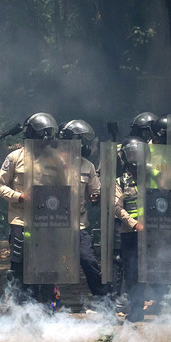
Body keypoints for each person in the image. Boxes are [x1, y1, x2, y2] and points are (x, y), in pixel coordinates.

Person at [0, 112, 56, 305]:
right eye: (43, 134)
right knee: (19, 264)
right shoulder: (14, 158)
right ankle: (18, 307)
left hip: (47, 221)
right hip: (21, 220)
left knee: (46, 265)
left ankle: (46, 307)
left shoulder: (55, 159)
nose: (47, 139)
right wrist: (19, 197)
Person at [58, 119, 108, 298]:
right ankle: (46, 300)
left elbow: (95, 189)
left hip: (79, 224)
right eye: (75, 139)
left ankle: (103, 299)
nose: (79, 144)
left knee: (88, 259)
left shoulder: (88, 165)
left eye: (81, 140)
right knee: (50, 264)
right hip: (53, 223)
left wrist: (95, 195)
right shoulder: (50, 162)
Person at [113, 136, 147, 321]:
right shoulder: (121, 181)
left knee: (154, 269)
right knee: (132, 272)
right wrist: (134, 223)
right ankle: (136, 309)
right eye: (131, 154)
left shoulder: (153, 176)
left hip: (153, 234)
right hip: (130, 233)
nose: (134, 158)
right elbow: (116, 207)